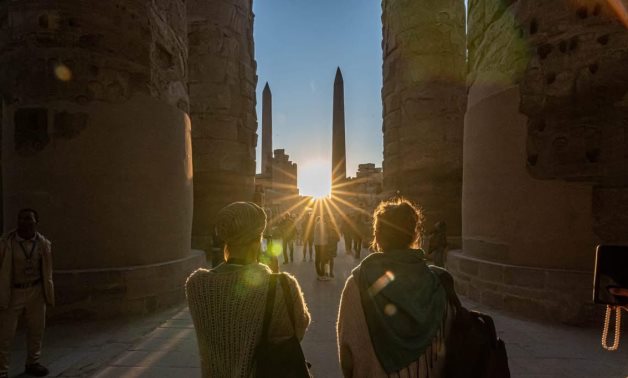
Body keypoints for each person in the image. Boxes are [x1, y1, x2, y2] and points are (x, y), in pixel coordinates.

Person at [186, 202, 310, 377]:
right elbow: (298, 329)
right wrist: (275, 277)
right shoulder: (282, 285)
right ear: (259, 238)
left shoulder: (196, 284)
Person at [337, 199, 453, 377]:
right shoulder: (439, 283)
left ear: (378, 236)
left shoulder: (357, 284)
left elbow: (347, 356)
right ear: (414, 235)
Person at [0, 209, 55, 378]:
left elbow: (47, 269)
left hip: (36, 290)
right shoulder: (6, 243)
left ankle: (33, 362)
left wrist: (47, 291)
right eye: (22, 219)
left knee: (36, 329)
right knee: (5, 333)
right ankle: (2, 370)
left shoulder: (43, 243)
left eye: (29, 219)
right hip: (13, 291)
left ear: (36, 222)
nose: (25, 222)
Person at [313, 216, 328, 280]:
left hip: (317, 243)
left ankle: (319, 274)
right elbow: (324, 234)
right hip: (322, 243)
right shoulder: (322, 224)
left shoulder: (316, 224)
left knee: (317, 258)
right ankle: (322, 274)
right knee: (322, 259)